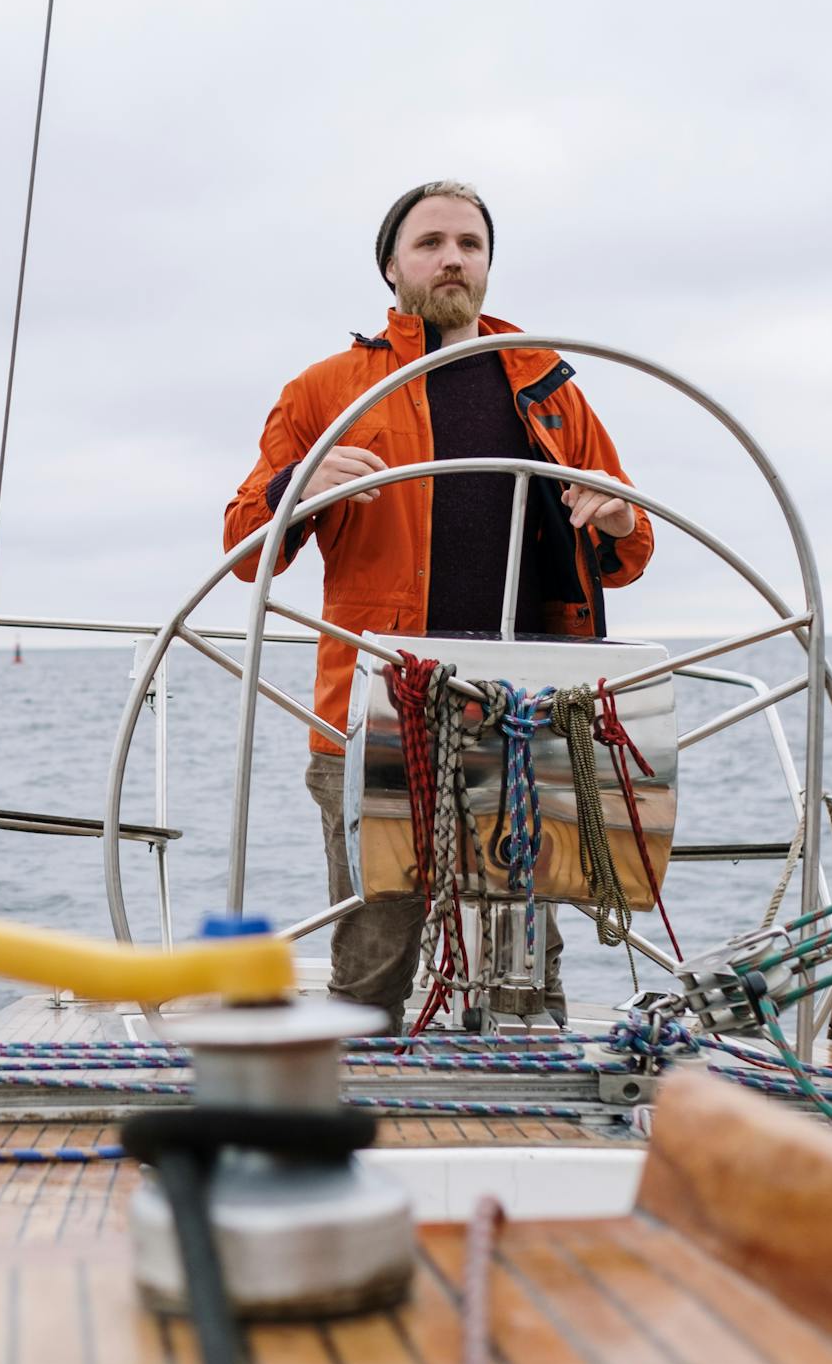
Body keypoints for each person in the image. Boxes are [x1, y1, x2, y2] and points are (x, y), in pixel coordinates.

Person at [223, 179, 654, 1031]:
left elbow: (628, 550)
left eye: (470, 243)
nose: (452, 258)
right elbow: (244, 546)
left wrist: (617, 513)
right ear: (390, 266)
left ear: (488, 263)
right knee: (375, 955)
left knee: (529, 965)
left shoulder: (548, 387)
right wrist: (294, 487)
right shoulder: (326, 390)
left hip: (524, 709)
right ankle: (359, 1114)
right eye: (429, 243)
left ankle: (528, 1110)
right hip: (375, 708)